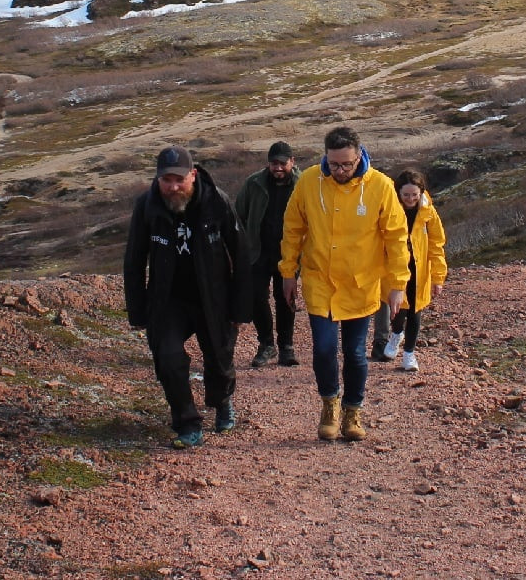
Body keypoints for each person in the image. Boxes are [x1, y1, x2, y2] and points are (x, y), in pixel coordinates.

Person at [280, 125, 408, 442]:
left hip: (360, 284)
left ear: (359, 156)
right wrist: (287, 271)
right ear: (326, 157)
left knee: (354, 352)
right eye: (334, 164)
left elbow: (396, 236)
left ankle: (353, 411)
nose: (340, 170)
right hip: (319, 280)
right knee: (324, 350)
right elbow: (293, 227)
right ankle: (329, 404)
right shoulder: (309, 181)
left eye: (346, 164)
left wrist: (397, 282)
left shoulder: (379, 186)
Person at [124, 146, 252, 449]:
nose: (173, 187)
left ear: (192, 175)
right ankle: (187, 422)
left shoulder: (216, 202)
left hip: (212, 296)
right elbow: (134, 260)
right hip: (167, 299)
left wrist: (240, 308)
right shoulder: (148, 206)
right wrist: (138, 311)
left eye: (179, 179)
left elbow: (241, 253)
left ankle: (221, 402)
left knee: (219, 360)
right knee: (167, 358)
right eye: (166, 180)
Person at [234, 141, 301, 368]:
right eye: (274, 163)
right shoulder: (253, 183)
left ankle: (286, 347)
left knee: (286, 298)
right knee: (256, 299)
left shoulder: (303, 185)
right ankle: (266, 345)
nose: (278, 168)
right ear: (268, 164)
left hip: (289, 254)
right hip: (258, 253)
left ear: (292, 161)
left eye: (283, 163)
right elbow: (239, 215)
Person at [379, 169, 448, 373]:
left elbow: (437, 244)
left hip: (419, 269)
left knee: (415, 310)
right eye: (406, 195)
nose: (410, 199)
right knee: (398, 310)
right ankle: (396, 334)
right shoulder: (389, 210)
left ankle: (409, 354)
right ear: (398, 193)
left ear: (421, 193)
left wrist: (438, 277)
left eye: (414, 195)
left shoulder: (428, 213)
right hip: (395, 268)